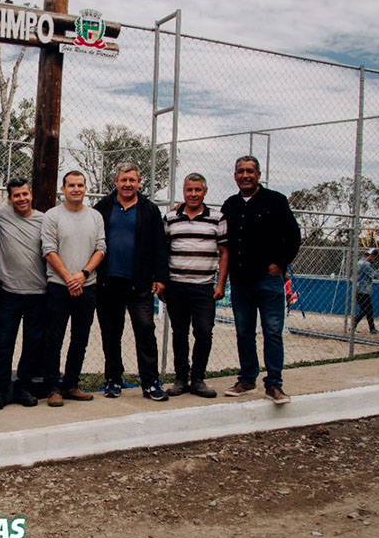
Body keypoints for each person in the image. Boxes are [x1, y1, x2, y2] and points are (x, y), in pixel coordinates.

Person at [222, 156, 301, 404]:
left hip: (268, 280)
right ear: (235, 176)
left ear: (258, 174)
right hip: (240, 281)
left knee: (272, 332)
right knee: (244, 333)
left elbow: (294, 236)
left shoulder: (275, 201)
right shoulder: (230, 205)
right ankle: (247, 380)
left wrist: (280, 263)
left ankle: (274, 384)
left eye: (250, 171)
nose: (245, 175)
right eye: (240, 171)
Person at [94, 162, 170, 401]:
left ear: (139, 182)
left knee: (145, 331)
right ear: (116, 181)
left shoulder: (149, 210)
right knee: (111, 334)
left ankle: (150, 383)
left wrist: (160, 277)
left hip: (139, 284)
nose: (127, 184)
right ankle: (113, 380)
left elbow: (160, 246)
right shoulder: (102, 207)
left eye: (132, 180)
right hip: (108, 283)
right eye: (123, 180)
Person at [41, 170, 106, 407]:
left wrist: (83, 275)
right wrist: (69, 278)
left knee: (80, 339)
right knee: (54, 338)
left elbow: (101, 248)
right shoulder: (52, 215)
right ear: (63, 189)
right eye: (71, 185)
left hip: (87, 287)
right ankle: (53, 388)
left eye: (80, 185)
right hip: (59, 286)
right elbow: (49, 250)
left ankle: (71, 384)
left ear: (85, 188)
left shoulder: (95, 216)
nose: (76, 189)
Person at [161, 173, 228, 399]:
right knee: (179, 333)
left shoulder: (217, 218)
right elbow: (163, 251)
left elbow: (224, 253)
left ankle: (198, 379)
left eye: (197, 190)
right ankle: (181, 379)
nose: (193, 194)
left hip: (204, 287)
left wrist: (221, 283)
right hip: (176, 287)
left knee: (204, 332)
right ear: (183, 191)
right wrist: (162, 282)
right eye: (189, 190)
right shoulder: (170, 218)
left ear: (205, 192)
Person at [0, 178, 49, 408]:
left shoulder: (45, 220)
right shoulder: (1, 216)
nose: (22, 199)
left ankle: (24, 388)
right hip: (9, 293)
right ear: (9, 198)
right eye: (16, 195)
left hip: (38, 293)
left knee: (32, 345)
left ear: (31, 194)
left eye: (25, 194)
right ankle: (0, 390)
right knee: (3, 344)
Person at [353, 248, 379, 334]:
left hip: (360, 289)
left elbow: (368, 273)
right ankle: (355, 325)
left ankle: (371, 328)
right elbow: (374, 275)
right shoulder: (365, 264)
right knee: (366, 309)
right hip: (363, 290)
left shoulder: (360, 262)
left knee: (367, 309)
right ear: (372, 256)